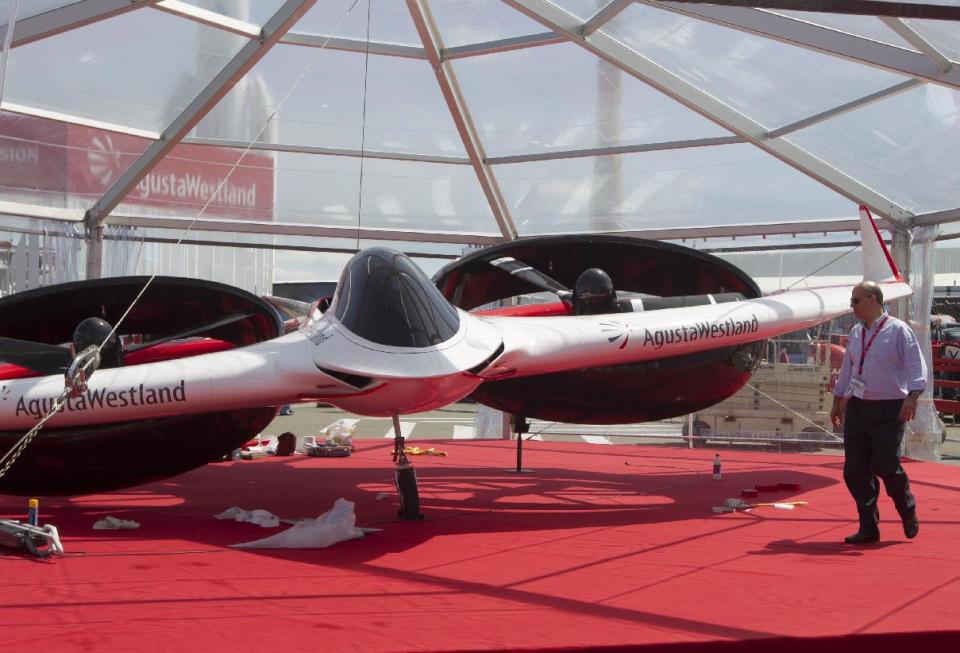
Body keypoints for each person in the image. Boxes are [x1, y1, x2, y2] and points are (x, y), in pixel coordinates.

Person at [830, 281, 927, 544]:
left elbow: (915, 366)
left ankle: (907, 509)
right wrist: (838, 399)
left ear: (873, 299)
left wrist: (913, 396)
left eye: (856, 301)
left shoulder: (898, 330)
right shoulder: (856, 333)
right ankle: (868, 527)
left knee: (884, 464)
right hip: (859, 406)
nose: (852, 306)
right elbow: (848, 370)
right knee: (854, 470)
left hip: (890, 406)